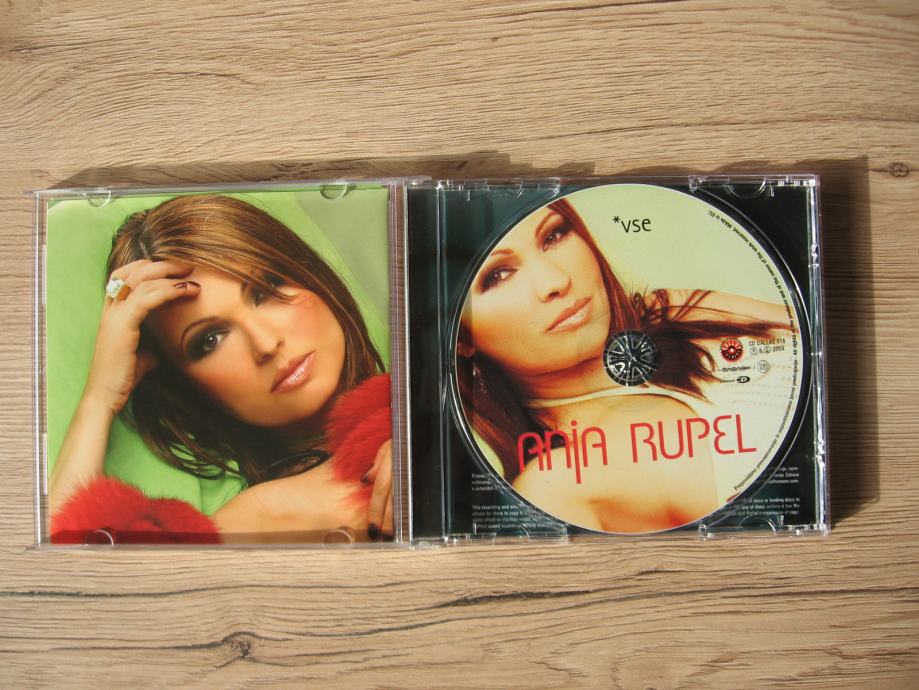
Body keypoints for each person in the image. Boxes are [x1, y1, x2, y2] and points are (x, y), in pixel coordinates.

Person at [50, 194, 393, 543]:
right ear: (186, 388)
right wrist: (100, 397)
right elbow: (65, 564)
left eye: (266, 289)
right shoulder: (263, 518)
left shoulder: (426, 385)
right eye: (210, 339)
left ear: (308, 271)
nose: (265, 343)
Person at [456, 197, 791, 533]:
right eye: (498, 275)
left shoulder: (666, 309)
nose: (555, 281)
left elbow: (809, 338)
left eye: (553, 236)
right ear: (462, 339)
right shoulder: (554, 488)